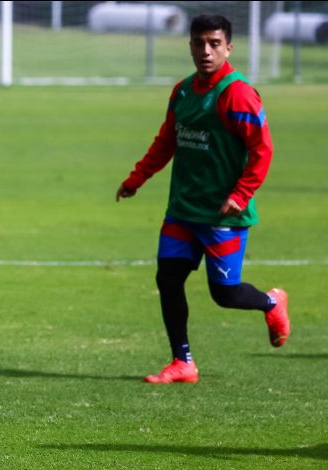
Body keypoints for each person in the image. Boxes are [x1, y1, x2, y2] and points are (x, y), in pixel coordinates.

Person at [115, 15, 290, 384]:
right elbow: (167, 141)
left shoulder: (238, 93)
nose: (206, 50)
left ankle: (272, 302)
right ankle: (183, 362)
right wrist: (136, 179)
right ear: (190, 46)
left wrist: (241, 195)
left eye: (214, 43)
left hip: (222, 214)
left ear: (229, 47)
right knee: (169, 278)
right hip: (182, 210)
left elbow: (263, 149)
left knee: (225, 294)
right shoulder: (182, 91)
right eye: (199, 43)